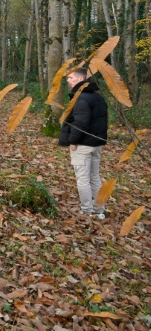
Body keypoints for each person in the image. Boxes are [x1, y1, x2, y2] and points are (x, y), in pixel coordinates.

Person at [58, 67, 108, 219]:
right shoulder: (98, 96)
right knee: (94, 176)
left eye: (71, 78)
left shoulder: (81, 97)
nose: (68, 80)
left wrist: (73, 140)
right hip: (97, 143)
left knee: (83, 178)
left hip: (84, 144)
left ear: (81, 80)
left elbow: (80, 122)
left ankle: (87, 211)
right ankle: (99, 210)